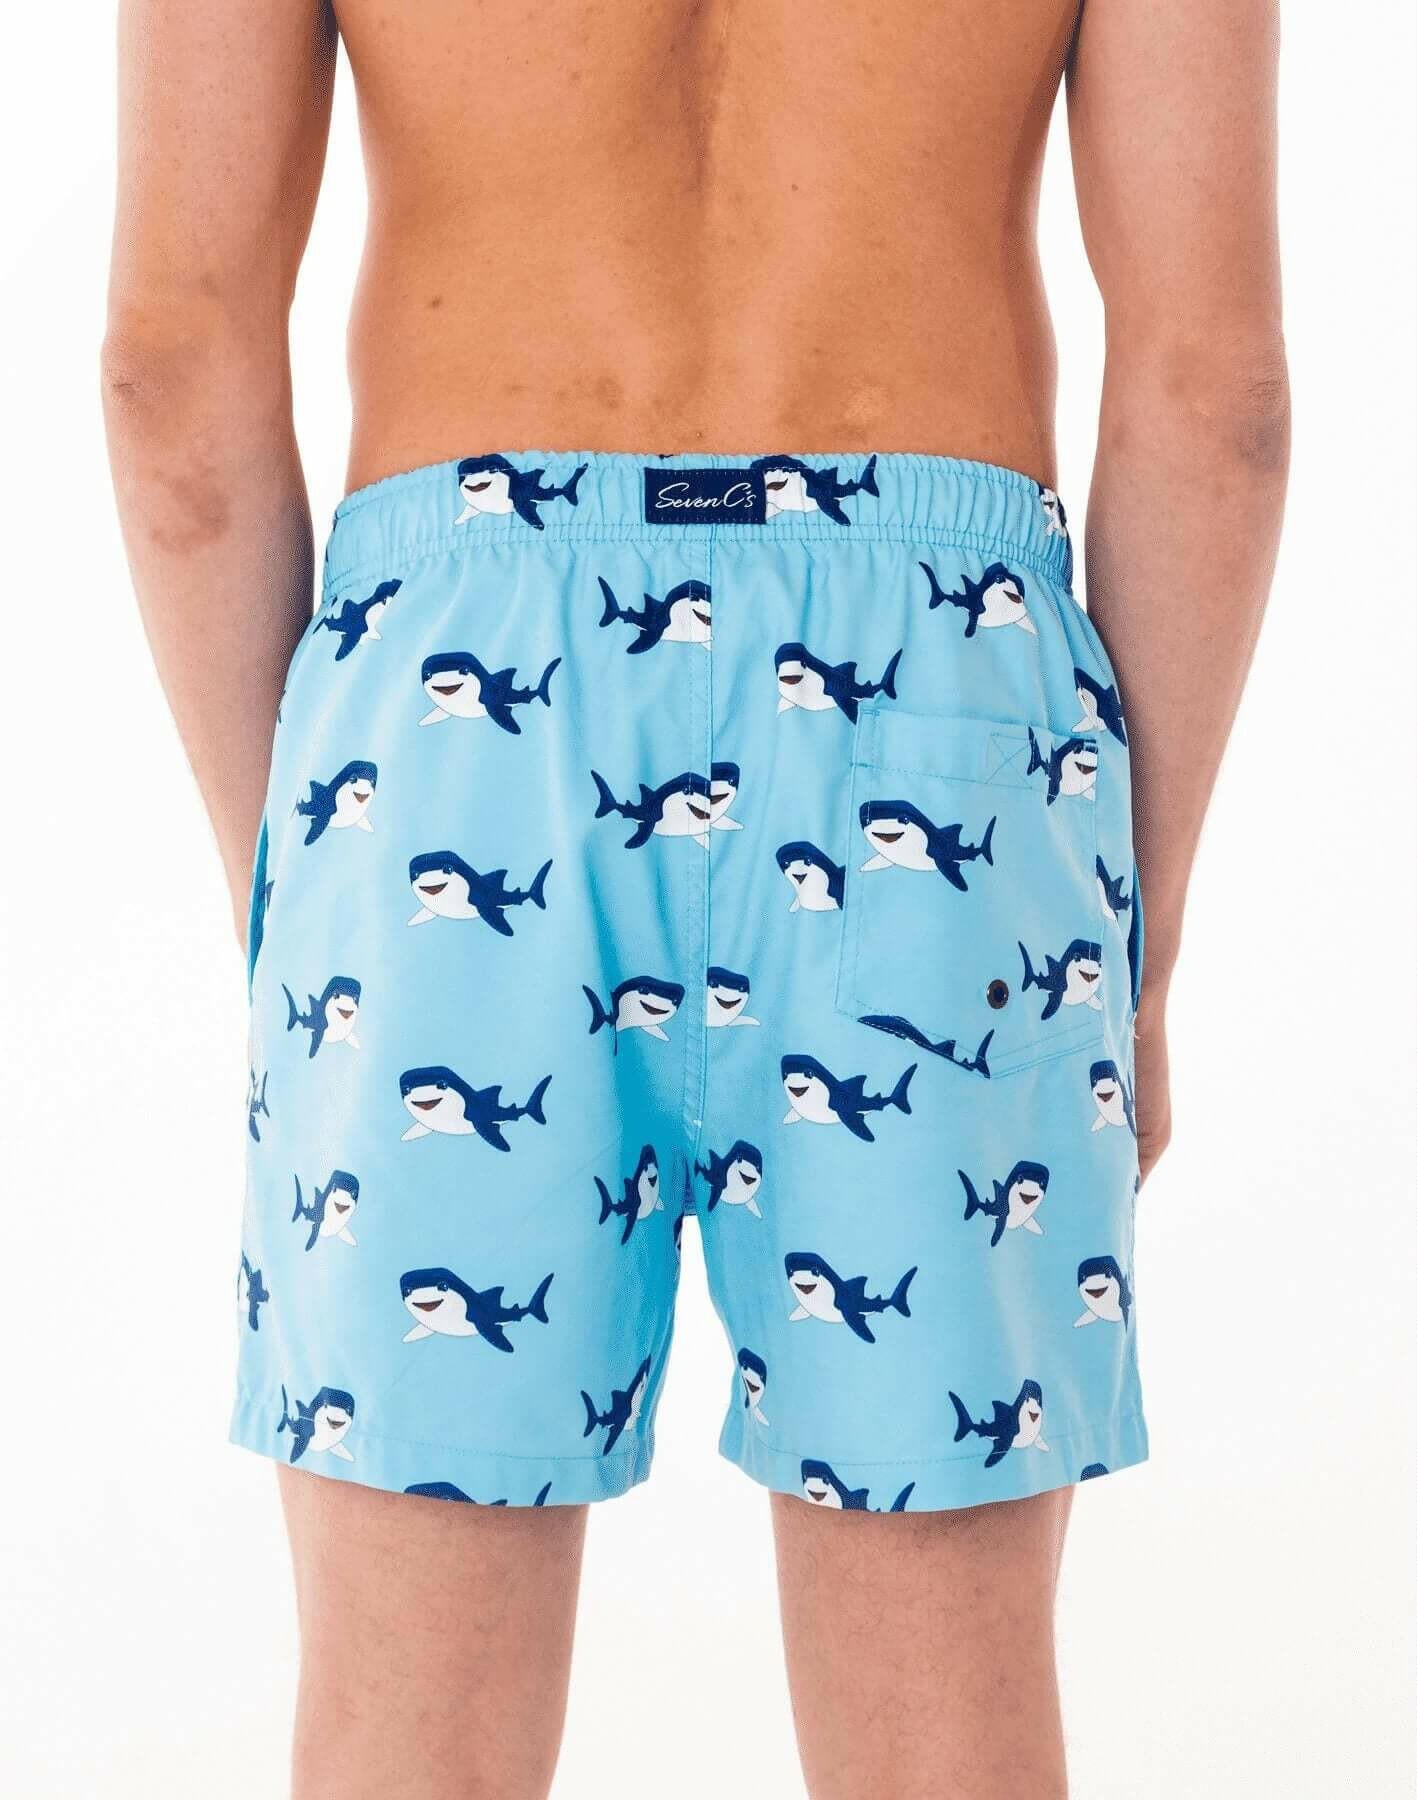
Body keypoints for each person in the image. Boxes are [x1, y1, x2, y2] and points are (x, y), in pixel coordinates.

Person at [102, 2, 1288, 1794]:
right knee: (944, 1736)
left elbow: (171, 371)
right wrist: (1134, 945)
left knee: (410, 1741)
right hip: (936, 694)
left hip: (462, 701)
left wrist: (298, 905)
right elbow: (1215, 397)